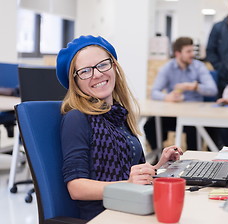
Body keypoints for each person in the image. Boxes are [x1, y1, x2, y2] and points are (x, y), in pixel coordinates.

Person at [56, 35, 183, 221]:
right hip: (105, 215)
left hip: (131, 206)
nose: (97, 74)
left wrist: (159, 165)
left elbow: (131, 175)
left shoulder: (117, 114)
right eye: (85, 71)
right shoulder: (77, 118)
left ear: (114, 66)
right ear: (75, 82)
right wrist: (128, 184)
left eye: (102, 65)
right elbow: (76, 188)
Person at [144, 37, 218, 152]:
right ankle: (160, 156)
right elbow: (154, 92)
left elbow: (212, 90)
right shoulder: (167, 68)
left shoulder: (199, 67)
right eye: (188, 51)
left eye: (193, 51)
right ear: (178, 53)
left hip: (195, 113)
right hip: (174, 112)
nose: (192, 54)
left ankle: (193, 161)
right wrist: (167, 97)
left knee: (193, 129)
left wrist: (195, 86)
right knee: (150, 125)